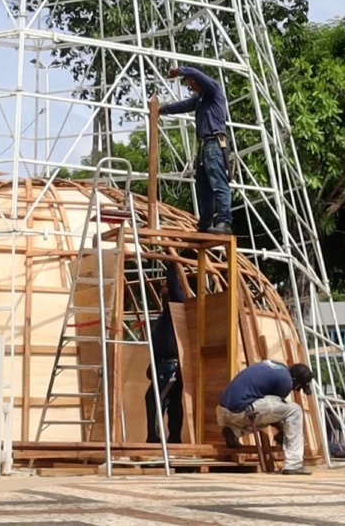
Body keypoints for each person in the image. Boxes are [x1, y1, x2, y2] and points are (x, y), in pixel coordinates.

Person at [158, 66, 232, 234]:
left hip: (214, 142)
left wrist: (179, 71)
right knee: (204, 187)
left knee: (219, 183)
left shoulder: (214, 89)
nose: (191, 87)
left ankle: (224, 222)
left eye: (191, 84)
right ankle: (205, 224)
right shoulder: (200, 99)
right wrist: (161, 110)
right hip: (205, 146)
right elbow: (183, 106)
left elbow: (196, 73)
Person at [215, 360, 314, 475]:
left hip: (223, 410)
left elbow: (270, 410)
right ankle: (293, 464)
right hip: (243, 409)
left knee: (261, 416)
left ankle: (234, 431)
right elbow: (275, 414)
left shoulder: (276, 366)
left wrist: (281, 428)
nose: (295, 390)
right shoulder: (286, 381)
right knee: (295, 410)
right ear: (295, 381)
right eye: (298, 387)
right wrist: (282, 430)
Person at [145, 269, 186, 444]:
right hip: (164, 365)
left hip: (170, 366)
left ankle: (154, 439)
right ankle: (174, 439)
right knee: (172, 402)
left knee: (154, 398)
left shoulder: (177, 306)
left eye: (164, 284)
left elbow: (174, 287)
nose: (162, 286)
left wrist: (172, 264)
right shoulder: (166, 313)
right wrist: (151, 364)